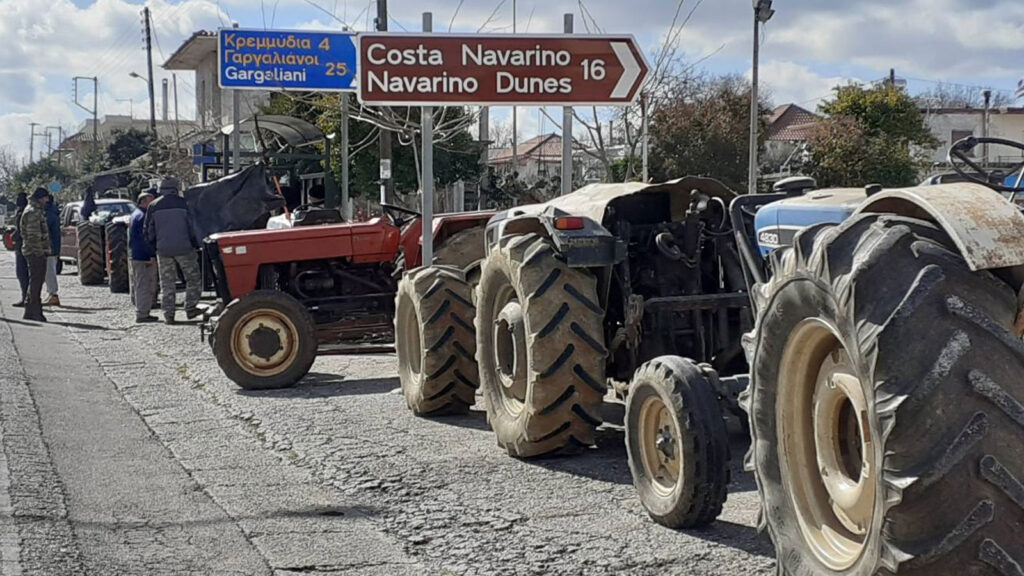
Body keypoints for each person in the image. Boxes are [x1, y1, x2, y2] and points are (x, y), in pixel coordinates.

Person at [144, 177, 201, 324]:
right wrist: (195, 244)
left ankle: (168, 314)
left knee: (167, 283)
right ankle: (191, 308)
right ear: (176, 189)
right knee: (193, 279)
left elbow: (148, 231)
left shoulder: (153, 206)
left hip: (163, 250)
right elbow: (193, 228)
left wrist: (155, 246)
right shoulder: (184, 204)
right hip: (185, 248)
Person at [19, 188, 51, 322]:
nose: (47, 200)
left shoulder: (34, 210)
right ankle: (35, 311)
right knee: (36, 282)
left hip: (33, 251)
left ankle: (30, 310)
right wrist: (40, 253)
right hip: (34, 252)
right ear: (40, 198)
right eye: (45, 197)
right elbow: (33, 236)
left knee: (35, 281)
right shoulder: (33, 212)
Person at [130, 190, 159, 323]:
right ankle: (142, 313)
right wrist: (150, 254)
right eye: (151, 200)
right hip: (143, 256)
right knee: (144, 285)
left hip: (137, 254)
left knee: (140, 284)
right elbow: (145, 238)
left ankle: (142, 310)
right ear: (143, 201)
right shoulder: (143, 216)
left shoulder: (135, 214)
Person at [42, 191, 61, 307]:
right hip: (53, 247)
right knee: (49, 271)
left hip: (50, 248)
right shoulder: (53, 212)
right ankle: (51, 294)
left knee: (49, 272)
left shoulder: (48, 215)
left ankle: (53, 295)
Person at [11, 193, 28, 307]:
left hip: (22, 245)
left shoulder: (22, 213)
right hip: (24, 246)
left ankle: (26, 297)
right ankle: (27, 297)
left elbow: (21, 230)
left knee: (22, 273)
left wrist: (13, 236)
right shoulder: (26, 211)